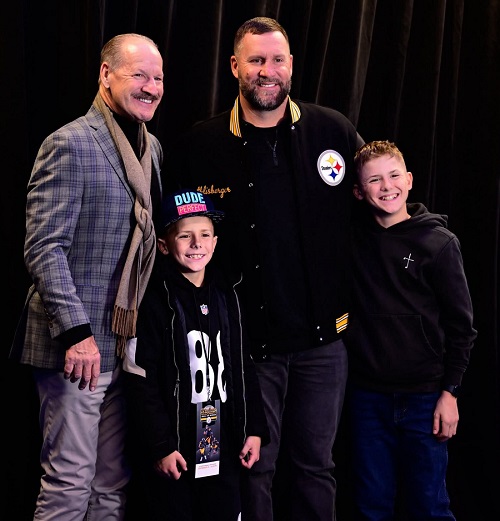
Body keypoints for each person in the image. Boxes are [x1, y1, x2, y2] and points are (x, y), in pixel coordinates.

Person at [163, 16, 363, 521]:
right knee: (255, 467)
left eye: (276, 60)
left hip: (324, 343)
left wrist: (424, 230)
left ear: (291, 65)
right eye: (255, 60)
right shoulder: (200, 145)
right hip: (249, 346)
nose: (267, 71)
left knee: (317, 467)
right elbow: (173, 239)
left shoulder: (332, 130)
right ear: (235, 66)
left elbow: (382, 196)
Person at [9, 33, 164, 520]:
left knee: (111, 483)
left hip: (123, 344)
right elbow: (43, 248)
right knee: (70, 482)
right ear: (106, 75)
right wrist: (77, 334)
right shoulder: (69, 143)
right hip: (75, 347)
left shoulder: (152, 149)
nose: (151, 87)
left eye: (158, 78)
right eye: (139, 75)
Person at [345, 140, 477, 519]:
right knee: (371, 505)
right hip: (367, 397)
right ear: (358, 191)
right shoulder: (351, 240)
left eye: (393, 176)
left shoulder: (439, 244)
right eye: (374, 180)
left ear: (410, 180)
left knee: (428, 505)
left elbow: (462, 328)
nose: (386, 186)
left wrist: (450, 392)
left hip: (425, 398)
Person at [122, 189, 269, 521]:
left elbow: (243, 366)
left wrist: (254, 428)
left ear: (215, 243)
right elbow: (140, 378)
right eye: (184, 236)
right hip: (176, 446)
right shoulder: (155, 300)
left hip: (222, 440)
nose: (196, 244)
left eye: (204, 235)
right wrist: (160, 445)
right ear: (164, 245)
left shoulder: (228, 295)